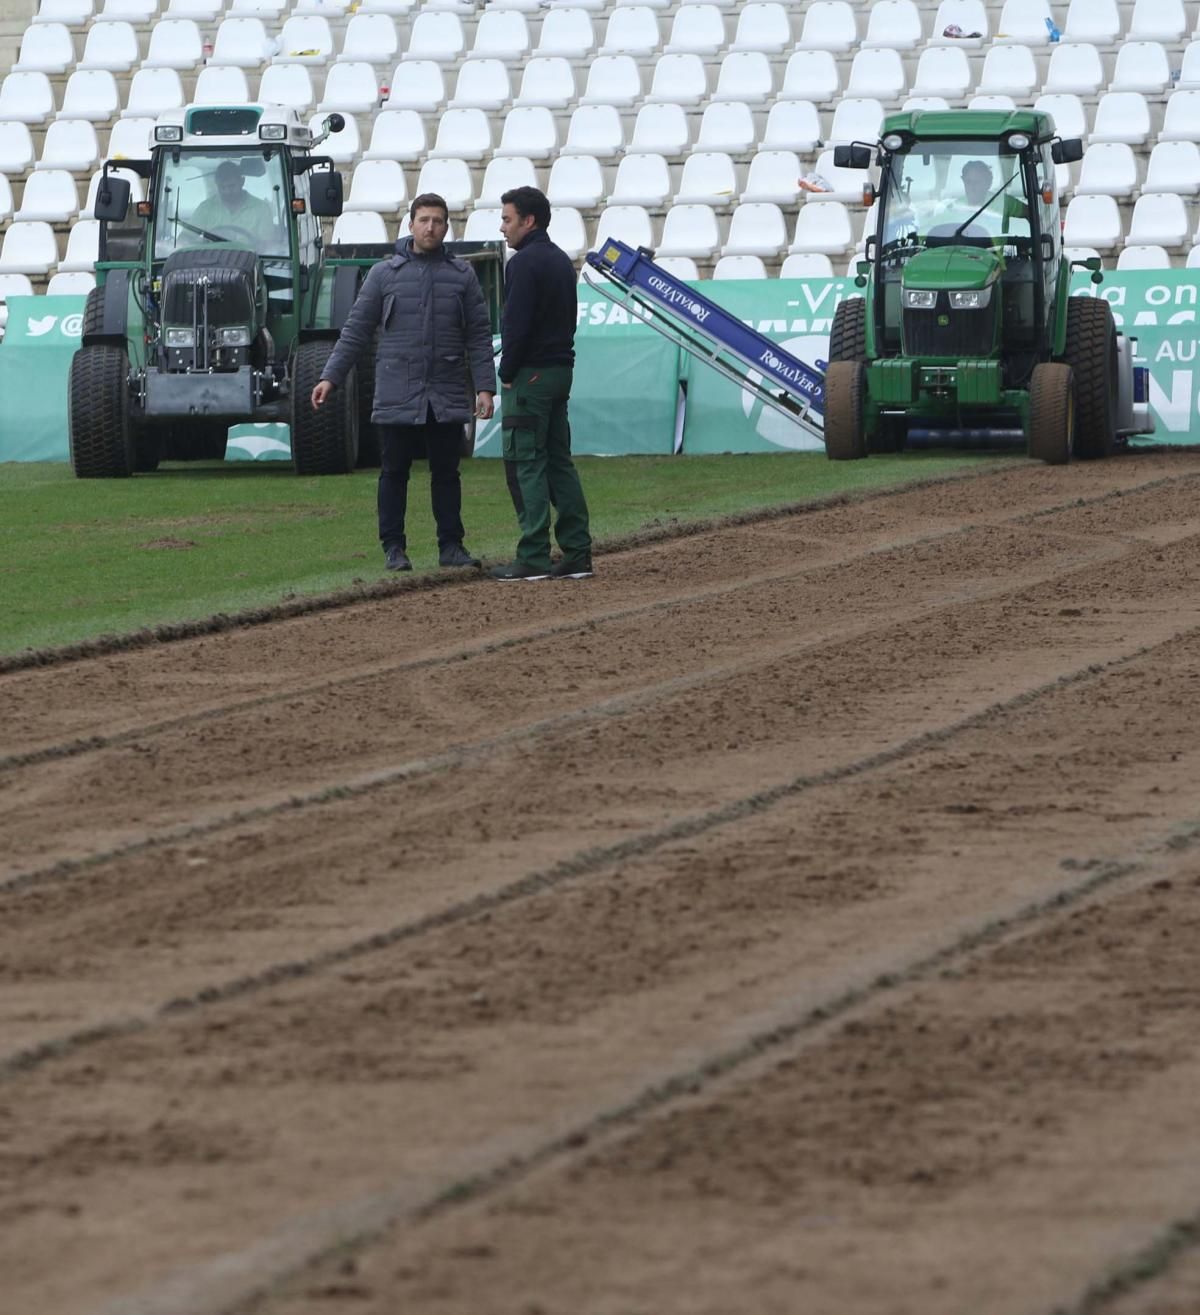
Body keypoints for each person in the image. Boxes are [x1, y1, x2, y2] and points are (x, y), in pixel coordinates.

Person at [311, 193, 496, 572]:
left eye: (438, 221)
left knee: (447, 473)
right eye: (424, 220)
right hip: (396, 391)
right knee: (394, 473)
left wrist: (484, 387)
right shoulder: (383, 274)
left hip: (444, 392)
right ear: (410, 224)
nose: (431, 227)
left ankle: (451, 547)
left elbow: (478, 335)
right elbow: (356, 330)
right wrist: (330, 376)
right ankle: (393, 549)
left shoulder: (462, 275)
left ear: (447, 227)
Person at [489, 185, 593, 582]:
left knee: (526, 463)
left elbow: (516, 326)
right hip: (560, 370)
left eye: (507, 218)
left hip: (530, 374)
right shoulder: (561, 261)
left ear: (527, 221)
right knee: (558, 462)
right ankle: (577, 552)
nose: (503, 227)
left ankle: (532, 555)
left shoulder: (523, 264)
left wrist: (508, 373)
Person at [189, 160, 277, 247]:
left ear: (242, 182)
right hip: (211, 259)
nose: (227, 191)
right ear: (216, 184)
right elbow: (186, 237)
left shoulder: (261, 209)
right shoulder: (205, 208)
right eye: (222, 187)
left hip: (250, 260)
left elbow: (268, 245)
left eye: (231, 186)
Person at [938, 159, 1028, 236]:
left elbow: (1031, 213)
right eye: (968, 182)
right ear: (963, 181)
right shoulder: (953, 208)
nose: (972, 187)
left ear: (988, 183)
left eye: (977, 182)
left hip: (995, 254)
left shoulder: (1004, 202)